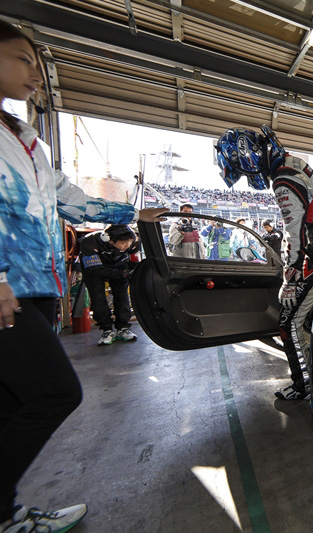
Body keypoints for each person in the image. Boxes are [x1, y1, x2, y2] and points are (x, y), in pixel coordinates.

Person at [0, 19, 167, 533]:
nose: (36, 74)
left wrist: (132, 214)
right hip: (6, 289)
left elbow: (72, 202)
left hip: (34, 287)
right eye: (23, 60)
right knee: (55, 393)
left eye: (37, 63)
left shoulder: (27, 141)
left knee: (12, 404)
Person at [216, 125, 313, 400]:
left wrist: (291, 277)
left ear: (247, 158)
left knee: (288, 322)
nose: (248, 177)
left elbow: (295, 232)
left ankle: (306, 387)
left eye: (242, 171)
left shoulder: (282, 180)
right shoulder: (292, 162)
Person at [78, 224, 139, 345]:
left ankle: (123, 327)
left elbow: (134, 261)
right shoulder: (89, 243)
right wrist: (122, 273)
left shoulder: (133, 244)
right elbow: (95, 270)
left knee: (122, 295)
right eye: (124, 243)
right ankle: (107, 330)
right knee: (98, 297)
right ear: (110, 240)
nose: (127, 246)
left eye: (130, 242)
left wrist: (131, 272)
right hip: (95, 269)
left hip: (119, 264)